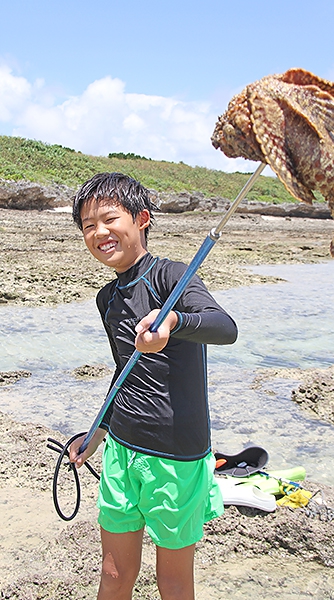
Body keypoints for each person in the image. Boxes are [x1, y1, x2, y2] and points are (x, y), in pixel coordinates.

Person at [69, 172, 238, 600]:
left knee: (174, 583)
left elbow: (225, 327)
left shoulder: (171, 277)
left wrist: (176, 323)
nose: (99, 232)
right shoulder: (106, 298)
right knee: (112, 574)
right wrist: (98, 431)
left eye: (109, 219)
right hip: (121, 451)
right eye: (89, 226)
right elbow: (123, 370)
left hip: (175, 455)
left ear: (142, 218)